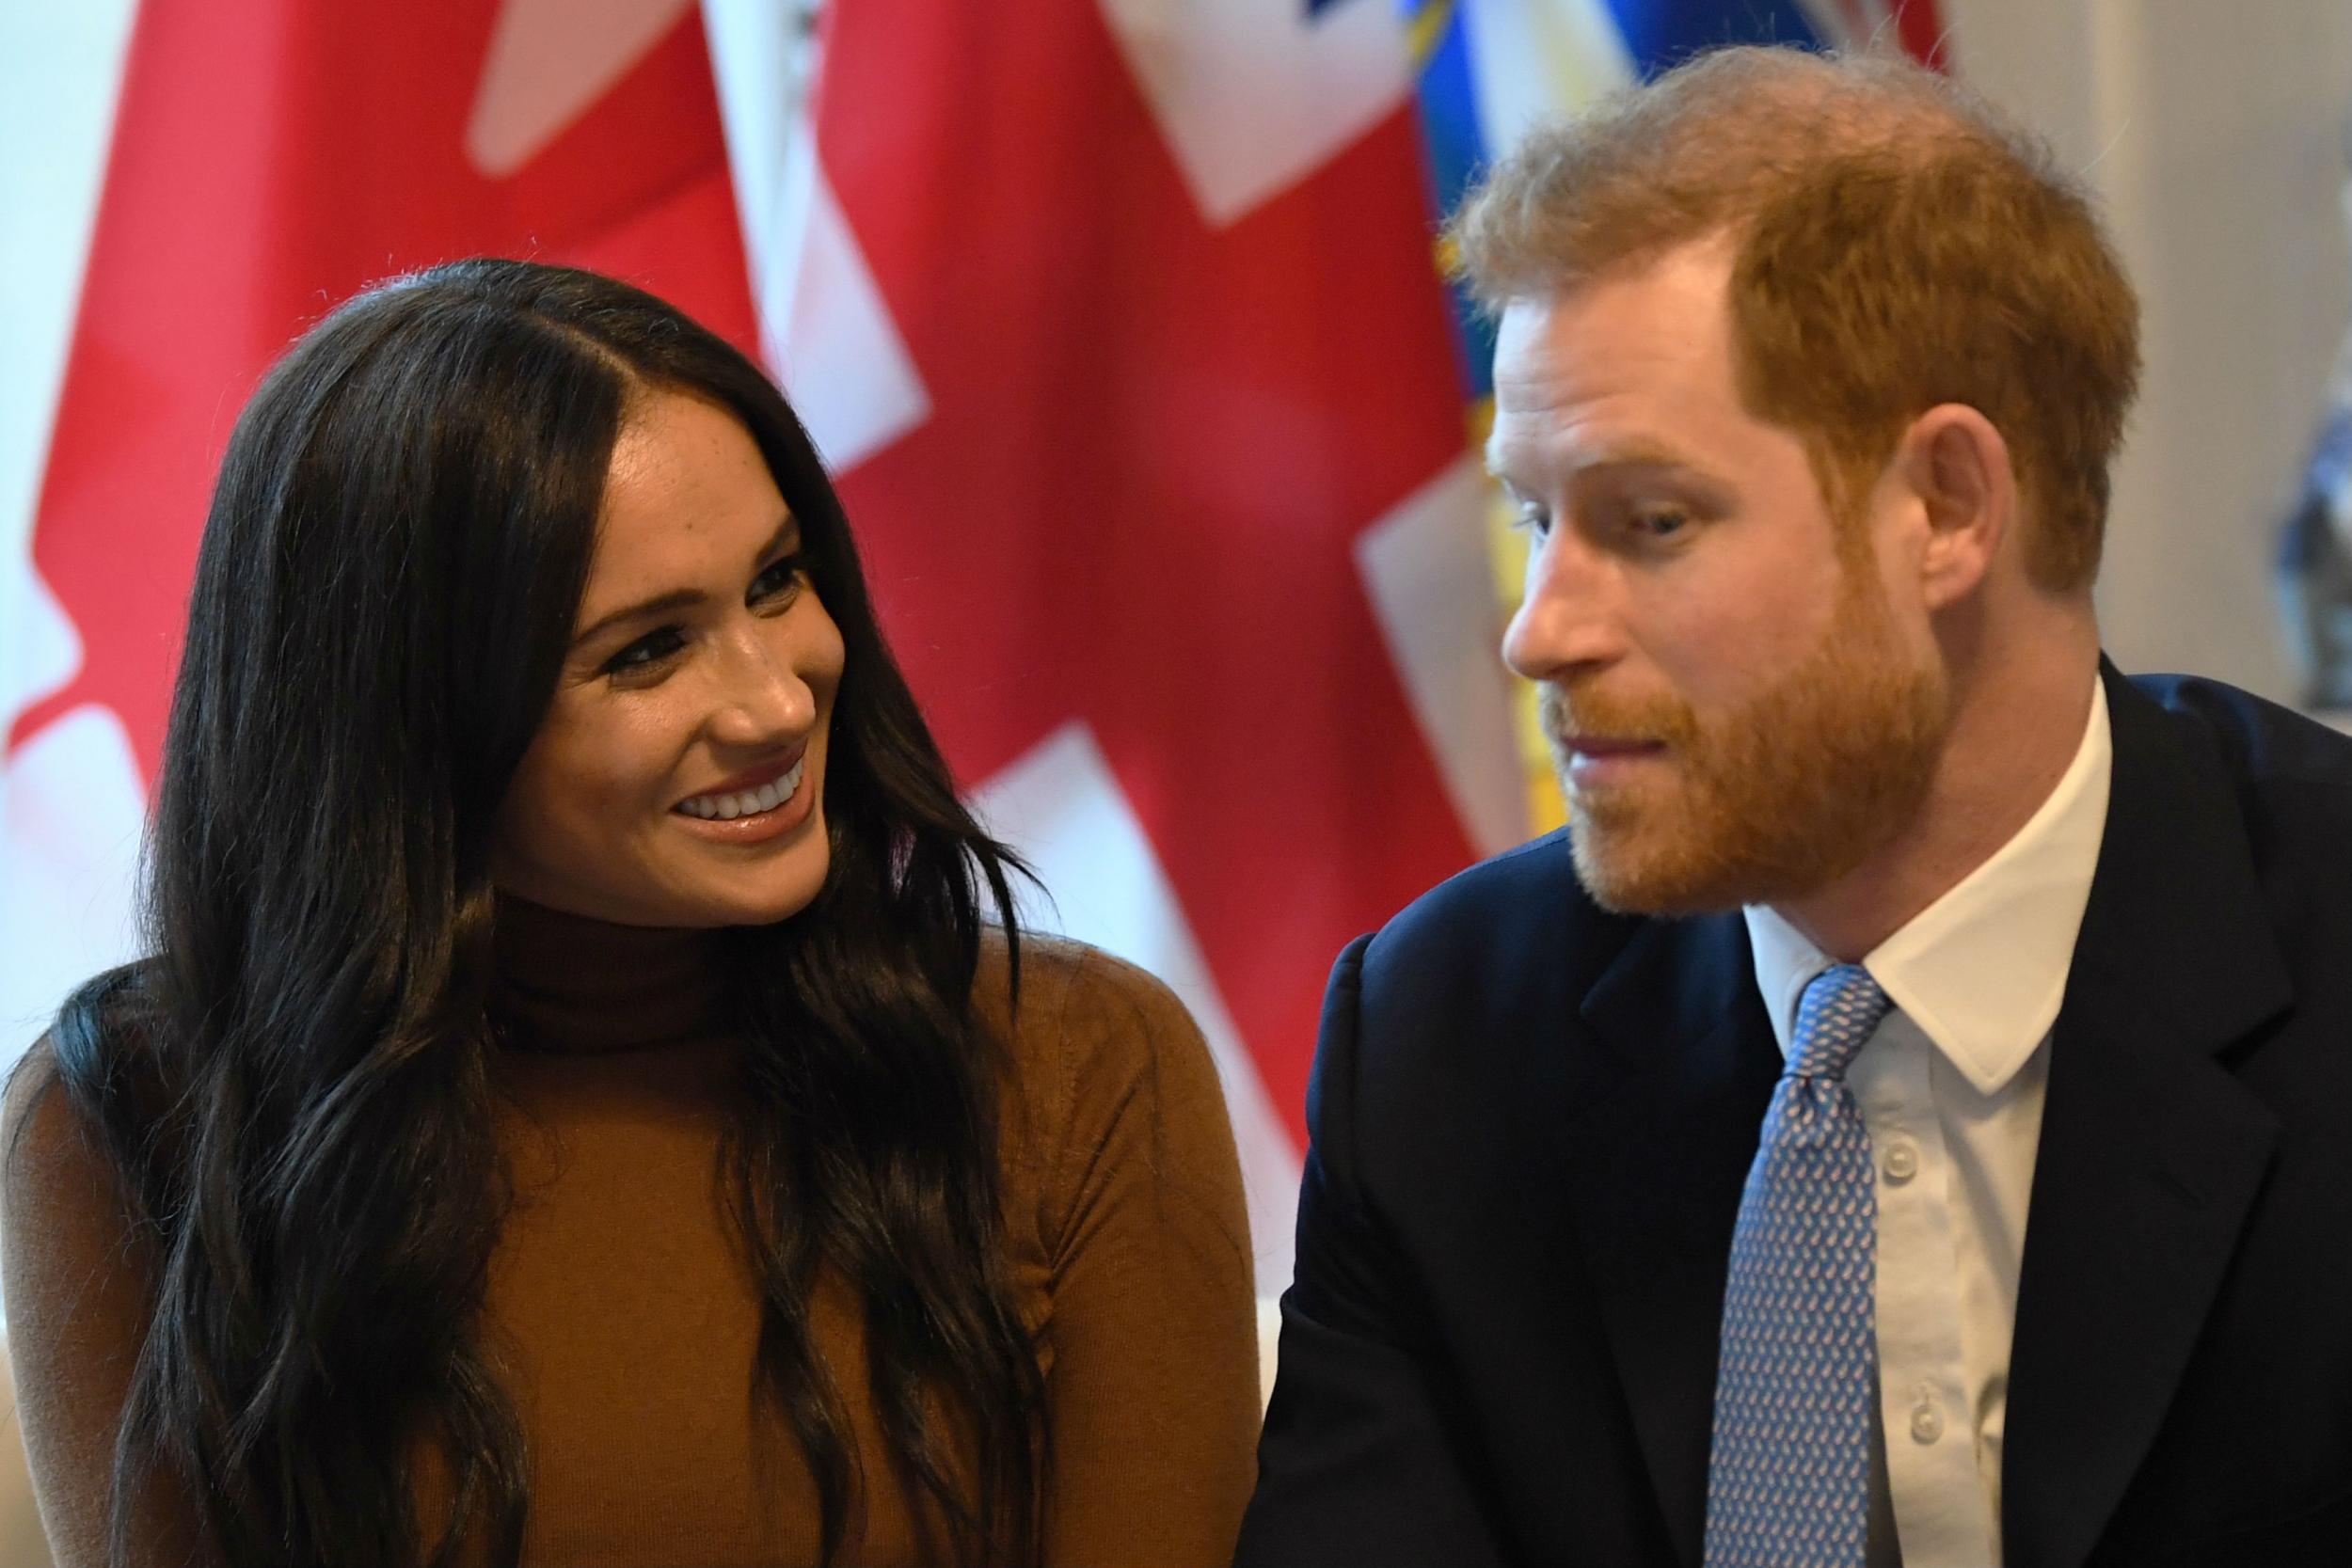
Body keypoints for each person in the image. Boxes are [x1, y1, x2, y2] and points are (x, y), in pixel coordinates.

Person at [1237, 45, 2352, 1568]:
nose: (1538, 628)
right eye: (1535, 518)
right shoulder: (1442, 1042)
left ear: (1947, 508)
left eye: (1651, 521)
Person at [1, 260, 1262, 1568]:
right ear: (409, 728)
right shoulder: (128, 1121)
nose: (777, 702)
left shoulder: (1076, 1062)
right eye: (649, 649)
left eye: (778, 583)